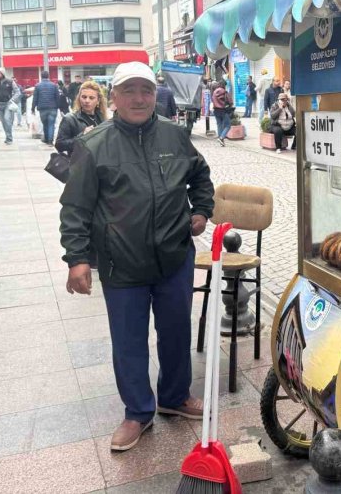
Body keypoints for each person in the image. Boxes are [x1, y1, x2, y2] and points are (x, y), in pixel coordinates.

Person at [60, 61, 214, 452]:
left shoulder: (175, 135)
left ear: (155, 95)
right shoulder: (93, 145)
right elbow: (75, 207)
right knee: (129, 341)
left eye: (146, 90)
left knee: (176, 332)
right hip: (121, 262)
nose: (139, 98)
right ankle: (137, 412)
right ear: (114, 97)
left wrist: (201, 210)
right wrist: (77, 259)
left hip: (174, 257)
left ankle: (175, 396)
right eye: (129, 91)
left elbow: (200, 175)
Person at [55, 80, 107, 156]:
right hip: (79, 161)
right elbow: (59, 145)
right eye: (84, 97)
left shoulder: (103, 118)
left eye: (91, 98)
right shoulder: (70, 119)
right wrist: (82, 136)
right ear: (79, 98)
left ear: (98, 100)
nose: (87, 101)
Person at [0, 68, 20, 145]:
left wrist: (11, 100)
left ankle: (9, 139)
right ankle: (7, 137)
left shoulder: (10, 81)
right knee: (3, 122)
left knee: (7, 120)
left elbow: (17, 92)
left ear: (3, 74)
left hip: (8, 104)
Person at [31, 71, 60, 145]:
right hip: (53, 108)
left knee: (45, 124)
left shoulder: (37, 86)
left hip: (42, 108)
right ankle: (50, 141)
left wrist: (33, 108)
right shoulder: (54, 85)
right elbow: (57, 97)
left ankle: (46, 139)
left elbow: (35, 98)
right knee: (51, 124)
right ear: (48, 76)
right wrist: (58, 106)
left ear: (41, 76)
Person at [211, 81, 233, 146]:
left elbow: (212, 100)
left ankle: (221, 140)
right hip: (223, 110)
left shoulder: (214, 92)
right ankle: (221, 137)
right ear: (224, 85)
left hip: (216, 110)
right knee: (228, 125)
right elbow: (230, 101)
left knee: (219, 125)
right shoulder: (224, 91)